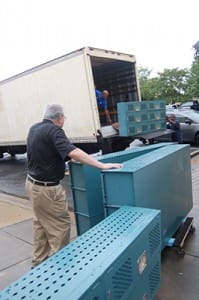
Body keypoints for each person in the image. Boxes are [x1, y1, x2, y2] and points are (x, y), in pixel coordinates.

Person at [26, 104, 122, 268]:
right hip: (48, 190)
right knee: (60, 228)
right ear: (60, 118)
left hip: (32, 185)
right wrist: (101, 165)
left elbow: (45, 152)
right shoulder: (55, 130)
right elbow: (73, 152)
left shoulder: (34, 128)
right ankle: (61, 270)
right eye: (64, 118)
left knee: (41, 226)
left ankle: (37, 265)